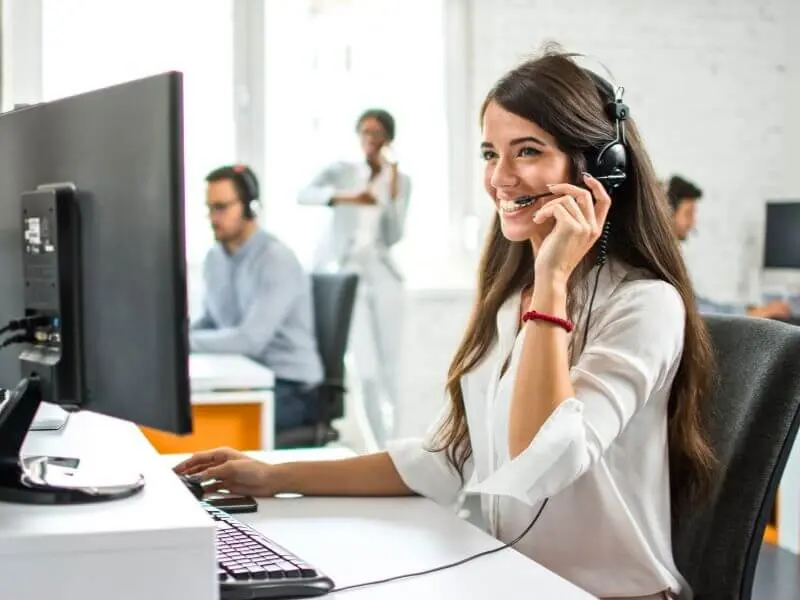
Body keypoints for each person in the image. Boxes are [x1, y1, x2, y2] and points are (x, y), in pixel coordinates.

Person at [177, 49, 717, 600]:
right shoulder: (513, 302)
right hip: (513, 579)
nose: (500, 179)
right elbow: (448, 458)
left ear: (601, 168)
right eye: (490, 153)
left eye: (527, 151)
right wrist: (274, 477)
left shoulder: (645, 306)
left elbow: (543, 462)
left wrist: (553, 278)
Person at [296, 109, 411, 447]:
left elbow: (393, 235)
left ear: (388, 138)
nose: (370, 139)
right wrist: (347, 197)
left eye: (377, 133)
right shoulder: (342, 171)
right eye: (364, 131)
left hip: (383, 275)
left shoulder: (399, 180)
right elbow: (303, 194)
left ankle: (397, 446)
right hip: (348, 276)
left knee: (392, 369)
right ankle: (378, 449)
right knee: (367, 370)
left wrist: (392, 192)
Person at [191, 164, 324, 435]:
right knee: (189, 410)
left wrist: (183, 343)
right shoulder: (214, 257)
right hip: (245, 377)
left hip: (293, 387)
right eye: (209, 208)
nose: (212, 218)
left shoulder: (275, 259)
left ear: (249, 206)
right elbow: (210, 321)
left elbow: (250, 340)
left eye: (221, 207)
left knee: (204, 425)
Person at [666, 174, 791, 319]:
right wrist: (751, 314)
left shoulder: (672, 256)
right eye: (688, 214)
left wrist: (746, 310)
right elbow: (698, 313)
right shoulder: (663, 261)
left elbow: (697, 303)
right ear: (667, 213)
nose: (693, 223)